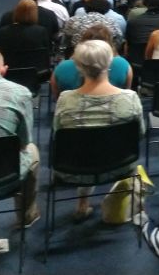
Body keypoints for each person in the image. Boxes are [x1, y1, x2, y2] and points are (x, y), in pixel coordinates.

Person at [53, 40, 144, 221]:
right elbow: (139, 134)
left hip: (74, 168)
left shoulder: (65, 100)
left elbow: (58, 133)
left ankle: (82, 203)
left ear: (78, 66)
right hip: (121, 165)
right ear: (110, 62)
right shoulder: (130, 98)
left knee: (85, 147)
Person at [0, 49, 40, 228]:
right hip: (3, 174)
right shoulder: (20, 93)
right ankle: (26, 215)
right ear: (4, 70)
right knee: (32, 150)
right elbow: (23, 142)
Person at [51, 25, 133, 98]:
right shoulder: (123, 64)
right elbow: (126, 92)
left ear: (83, 43)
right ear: (109, 45)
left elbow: (57, 97)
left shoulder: (62, 67)